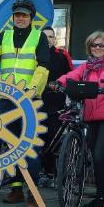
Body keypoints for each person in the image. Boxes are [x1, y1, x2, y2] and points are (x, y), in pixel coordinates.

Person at [0, 0, 50, 207]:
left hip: (29, 100)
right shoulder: (4, 36)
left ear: (31, 17)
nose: (20, 19)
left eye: (24, 15)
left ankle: (32, 193)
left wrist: (30, 90)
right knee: (10, 145)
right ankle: (16, 188)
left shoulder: (38, 37)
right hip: (6, 99)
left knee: (30, 147)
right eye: (17, 15)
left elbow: (43, 67)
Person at [55, 31, 104, 207]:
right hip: (91, 117)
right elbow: (72, 75)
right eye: (94, 45)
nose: (98, 48)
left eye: (101, 45)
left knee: (101, 156)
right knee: (96, 158)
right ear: (90, 47)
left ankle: (103, 198)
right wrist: (58, 82)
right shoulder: (86, 67)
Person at [40, 25, 73, 184]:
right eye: (45, 37)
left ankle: (50, 173)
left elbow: (71, 76)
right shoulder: (34, 55)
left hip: (56, 105)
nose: (48, 40)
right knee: (38, 139)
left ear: (55, 39)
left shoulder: (62, 56)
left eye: (51, 37)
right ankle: (37, 172)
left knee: (53, 140)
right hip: (36, 104)